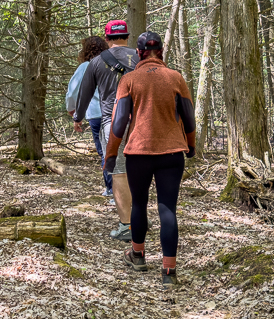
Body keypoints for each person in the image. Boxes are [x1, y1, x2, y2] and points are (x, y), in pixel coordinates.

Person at [104, 31, 195, 284]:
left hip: (138, 153)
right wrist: (191, 145)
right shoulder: (176, 77)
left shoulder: (130, 80)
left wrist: (111, 155)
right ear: (161, 52)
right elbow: (188, 117)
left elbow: (119, 122)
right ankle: (168, 272)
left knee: (139, 204)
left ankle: (138, 255)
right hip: (172, 153)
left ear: (139, 53)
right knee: (168, 209)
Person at [72, 20, 139, 240]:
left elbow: (84, 94)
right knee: (139, 171)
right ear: (127, 37)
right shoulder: (141, 58)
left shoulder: (97, 62)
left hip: (113, 123)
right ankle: (140, 220)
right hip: (141, 123)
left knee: (119, 172)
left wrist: (77, 117)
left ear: (107, 39)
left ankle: (126, 226)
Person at [66, 35, 109, 191]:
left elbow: (72, 93)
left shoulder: (85, 67)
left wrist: (74, 111)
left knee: (105, 152)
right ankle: (120, 188)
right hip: (117, 112)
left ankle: (111, 189)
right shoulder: (112, 64)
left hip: (96, 114)